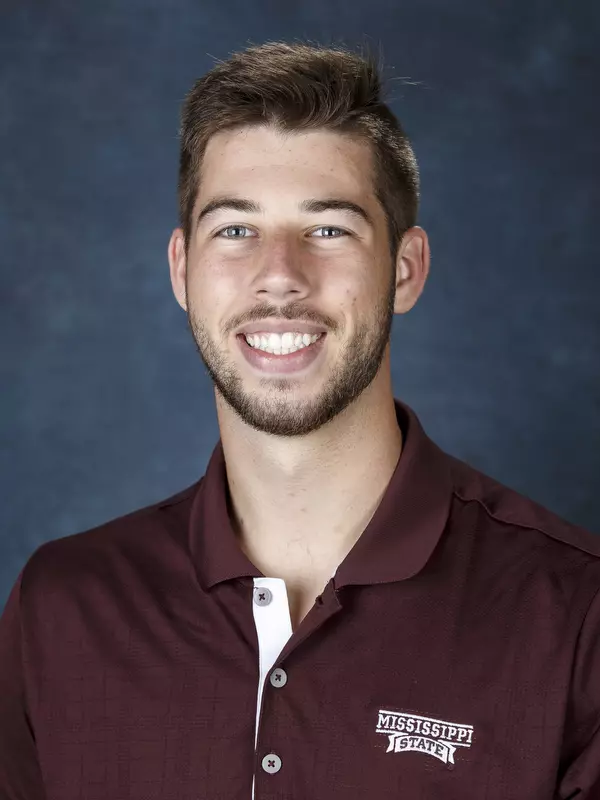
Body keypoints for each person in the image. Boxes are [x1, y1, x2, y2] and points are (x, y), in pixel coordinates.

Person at [1, 40, 598, 800]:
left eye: (328, 229)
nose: (279, 274)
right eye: (236, 230)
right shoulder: (63, 606)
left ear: (405, 270)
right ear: (183, 270)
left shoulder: (576, 613)